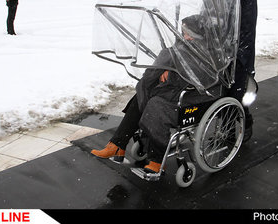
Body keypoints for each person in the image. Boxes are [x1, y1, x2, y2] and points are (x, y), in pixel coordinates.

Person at [91, 15, 216, 174]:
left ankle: (157, 160)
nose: (184, 36)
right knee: (141, 96)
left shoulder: (203, 52)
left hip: (192, 98)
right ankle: (117, 145)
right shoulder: (183, 48)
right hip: (174, 91)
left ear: (198, 35)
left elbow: (198, 76)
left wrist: (169, 73)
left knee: (154, 105)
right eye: (183, 32)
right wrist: (165, 70)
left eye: (188, 33)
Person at [227, 0, 257, 142]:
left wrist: (241, 56)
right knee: (222, 93)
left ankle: (246, 124)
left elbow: (247, 28)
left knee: (236, 93)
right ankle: (228, 130)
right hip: (220, 51)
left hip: (239, 53)